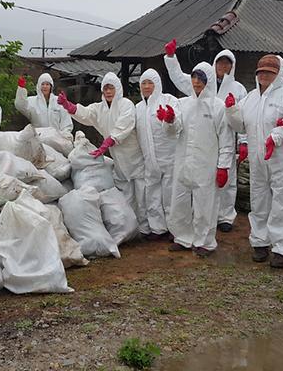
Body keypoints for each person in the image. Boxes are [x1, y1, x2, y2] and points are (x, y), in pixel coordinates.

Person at [224, 55, 283, 268]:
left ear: (279, 74)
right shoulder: (250, 98)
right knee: (258, 199)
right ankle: (260, 242)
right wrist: (231, 110)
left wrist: (276, 136)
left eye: (269, 72)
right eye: (261, 72)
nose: (264, 75)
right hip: (258, 159)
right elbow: (241, 126)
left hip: (282, 159)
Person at [164, 39, 248, 232]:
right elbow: (178, 77)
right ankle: (185, 233)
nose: (223, 66)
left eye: (227, 63)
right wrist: (171, 58)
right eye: (220, 63)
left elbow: (243, 117)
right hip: (195, 147)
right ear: (215, 64)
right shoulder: (191, 95)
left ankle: (225, 217)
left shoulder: (238, 89)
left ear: (232, 66)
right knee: (191, 192)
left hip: (222, 140)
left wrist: (243, 142)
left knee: (227, 183)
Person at [57, 73, 147, 233]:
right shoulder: (99, 108)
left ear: (118, 89)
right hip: (118, 157)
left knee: (142, 193)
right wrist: (69, 106)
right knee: (125, 193)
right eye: (105, 88)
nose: (108, 91)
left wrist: (109, 141)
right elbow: (86, 113)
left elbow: (125, 124)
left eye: (111, 88)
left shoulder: (126, 104)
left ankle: (147, 228)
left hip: (133, 155)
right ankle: (131, 227)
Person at [160, 63, 233, 257]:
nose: (196, 82)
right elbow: (172, 132)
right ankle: (183, 237)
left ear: (208, 80)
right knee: (179, 202)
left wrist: (223, 166)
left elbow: (226, 139)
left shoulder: (218, 106)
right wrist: (168, 121)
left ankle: (205, 242)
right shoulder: (183, 104)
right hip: (184, 162)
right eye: (194, 77)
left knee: (205, 205)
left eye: (201, 78)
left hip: (206, 164)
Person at [134, 69, 178, 240]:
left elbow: (177, 126)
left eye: (150, 83)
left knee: (170, 195)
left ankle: (174, 228)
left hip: (169, 158)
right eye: (143, 83)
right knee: (151, 193)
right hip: (149, 159)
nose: (146, 87)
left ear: (157, 84)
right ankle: (158, 228)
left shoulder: (169, 100)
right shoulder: (138, 108)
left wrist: (170, 119)